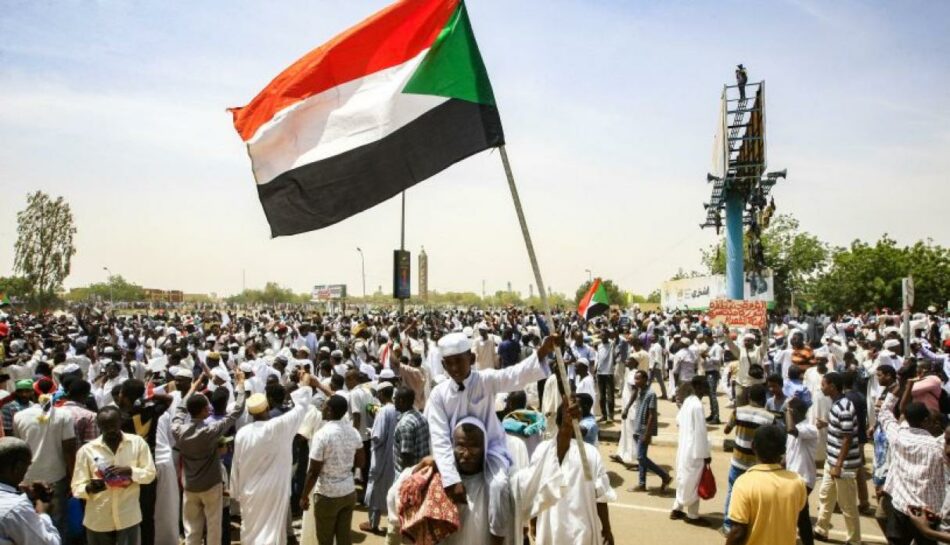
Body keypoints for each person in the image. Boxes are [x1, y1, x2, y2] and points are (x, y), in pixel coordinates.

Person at [425, 332, 558, 542]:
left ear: (471, 358)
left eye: (459, 361)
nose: (455, 368)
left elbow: (514, 375)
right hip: (455, 453)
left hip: (491, 449)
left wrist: (542, 351)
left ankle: (498, 535)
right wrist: (451, 479)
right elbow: (440, 437)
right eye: (448, 364)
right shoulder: (438, 394)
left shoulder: (485, 380)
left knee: (498, 485)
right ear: (443, 364)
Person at [518, 395, 616, 545]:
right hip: (554, 532)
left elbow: (600, 496)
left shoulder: (590, 453)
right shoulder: (545, 450)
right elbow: (535, 488)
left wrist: (607, 529)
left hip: (580, 534)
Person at [231, 371, 316, 545]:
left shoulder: (242, 433)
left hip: (250, 492)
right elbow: (301, 408)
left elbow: (236, 465)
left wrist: (235, 491)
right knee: (273, 531)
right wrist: (305, 384)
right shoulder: (279, 426)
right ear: (267, 406)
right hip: (274, 490)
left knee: (250, 530)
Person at [172, 370, 247, 545]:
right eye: (206, 407)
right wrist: (241, 384)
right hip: (211, 485)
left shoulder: (177, 430)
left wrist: (193, 388)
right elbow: (237, 410)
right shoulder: (211, 430)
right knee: (214, 527)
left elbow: (180, 408)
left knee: (191, 529)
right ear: (202, 410)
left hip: (190, 486)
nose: (209, 409)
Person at [71, 406, 157, 545]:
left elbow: (150, 475)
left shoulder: (137, 443)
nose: (110, 430)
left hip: (128, 517)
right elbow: (76, 488)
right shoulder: (86, 451)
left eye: (113, 425)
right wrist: (90, 487)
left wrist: (129, 471)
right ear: (98, 425)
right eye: (105, 426)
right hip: (99, 520)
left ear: (120, 422)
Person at [878, 381, 946, 545]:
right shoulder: (938, 446)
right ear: (926, 421)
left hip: (901, 508)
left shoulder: (897, 436)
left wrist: (898, 388)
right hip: (928, 513)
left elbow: (884, 412)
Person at [13, 378, 77, 538]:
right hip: (57, 478)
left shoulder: (19, 416)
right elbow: (69, 449)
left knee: (28, 525)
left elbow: (18, 448)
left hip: (28, 480)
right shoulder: (64, 415)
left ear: (33, 394)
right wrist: (73, 477)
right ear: (55, 393)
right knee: (57, 524)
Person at [725, 425, 807, 545]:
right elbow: (803, 522)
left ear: (753, 446)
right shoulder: (797, 482)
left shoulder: (744, 483)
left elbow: (738, 532)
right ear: (783, 450)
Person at [300, 395, 365, 545]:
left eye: (324, 406)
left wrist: (304, 496)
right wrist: (345, 463)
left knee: (325, 539)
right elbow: (361, 462)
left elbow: (313, 471)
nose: (321, 408)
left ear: (329, 411)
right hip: (348, 492)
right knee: (344, 538)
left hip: (327, 495)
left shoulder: (322, 435)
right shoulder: (353, 432)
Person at [813, 372, 862, 544]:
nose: (821, 387)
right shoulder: (837, 404)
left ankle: (854, 539)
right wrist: (827, 424)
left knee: (847, 504)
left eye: (823, 384)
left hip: (843, 465)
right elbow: (844, 430)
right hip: (832, 461)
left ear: (832, 386)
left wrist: (839, 465)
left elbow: (847, 438)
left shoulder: (843, 407)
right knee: (826, 496)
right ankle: (821, 529)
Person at [721, 383, 775, 535]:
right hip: (757, 465)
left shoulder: (738, 411)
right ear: (764, 398)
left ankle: (727, 525)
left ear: (749, 397)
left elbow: (726, 430)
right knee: (757, 495)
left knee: (732, 492)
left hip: (738, 460)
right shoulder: (769, 418)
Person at [0, 437, 62, 544]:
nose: (26, 472)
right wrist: (43, 512)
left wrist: (21, 490)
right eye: (27, 466)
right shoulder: (16, 508)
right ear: (18, 467)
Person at [670, 382, 711, 525]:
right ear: (698, 388)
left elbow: (678, 422)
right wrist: (706, 454)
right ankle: (692, 515)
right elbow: (701, 432)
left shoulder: (687, 403)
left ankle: (677, 508)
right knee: (695, 482)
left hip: (683, 449)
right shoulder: (697, 405)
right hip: (695, 451)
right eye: (705, 388)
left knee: (683, 479)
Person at [625, 369, 671, 492]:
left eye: (638, 378)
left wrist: (647, 433)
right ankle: (641, 483)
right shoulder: (640, 391)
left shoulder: (651, 394)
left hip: (644, 429)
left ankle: (664, 476)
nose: (636, 381)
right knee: (642, 457)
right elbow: (634, 394)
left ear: (645, 380)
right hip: (637, 427)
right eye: (635, 378)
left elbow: (652, 415)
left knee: (641, 458)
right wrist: (626, 408)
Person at [362, 382, 396, 535]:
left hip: (381, 457)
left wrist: (369, 432)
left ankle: (373, 524)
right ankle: (392, 524)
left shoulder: (383, 411)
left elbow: (378, 437)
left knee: (375, 490)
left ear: (382, 394)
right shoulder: (397, 409)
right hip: (393, 457)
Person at [784, 397, 818, 545]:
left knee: (795, 515)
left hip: (803, 480)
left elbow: (792, 430)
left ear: (795, 412)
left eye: (790, 411)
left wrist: (788, 411)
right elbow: (789, 454)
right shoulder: (796, 427)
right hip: (793, 479)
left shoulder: (808, 428)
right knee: (800, 516)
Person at [392, 387, 429, 474]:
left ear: (401, 401)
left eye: (395, 399)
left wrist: (405, 480)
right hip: (422, 471)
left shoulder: (405, 425)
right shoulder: (421, 416)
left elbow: (407, 458)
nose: (394, 402)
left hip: (410, 475)